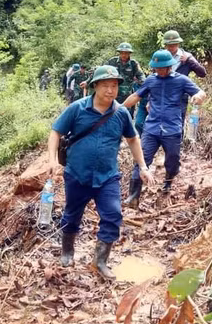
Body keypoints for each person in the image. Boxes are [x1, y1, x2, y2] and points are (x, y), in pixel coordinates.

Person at [48, 65, 154, 280]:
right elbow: (56, 132)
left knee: (113, 215)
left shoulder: (121, 113)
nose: (110, 90)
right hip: (77, 174)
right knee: (71, 215)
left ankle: (101, 260)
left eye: (114, 86)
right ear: (95, 86)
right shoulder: (77, 109)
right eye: (105, 85)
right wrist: (52, 160)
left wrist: (142, 166)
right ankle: (67, 251)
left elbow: (133, 139)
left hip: (107, 177)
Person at [122, 50, 206, 208]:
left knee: (172, 161)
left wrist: (199, 97)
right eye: (156, 68)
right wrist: (118, 108)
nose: (159, 71)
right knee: (142, 160)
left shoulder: (182, 80)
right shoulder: (150, 80)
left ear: (169, 66)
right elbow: (136, 96)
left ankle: (167, 185)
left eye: (162, 68)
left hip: (172, 128)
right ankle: (133, 197)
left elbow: (200, 92)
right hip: (151, 128)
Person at [162, 30, 207, 125]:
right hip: (162, 94)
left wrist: (190, 61)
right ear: (165, 45)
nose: (171, 47)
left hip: (180, 96)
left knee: (178, 123)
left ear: (178, 44)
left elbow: (202, 73)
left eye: (174, 44)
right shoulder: (161, 56)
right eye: (169, 45)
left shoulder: (187, 56)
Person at [105, 42, 145, 114]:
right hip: (113, 94)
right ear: (119, 53)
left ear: (129, 53)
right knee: (112, 115)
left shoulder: (133, 63)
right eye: (122, 53)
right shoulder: (112, 61)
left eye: (126, 53)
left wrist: (145, 86)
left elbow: (141, 76)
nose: (124, 55)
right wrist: (87, 82)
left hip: (127, 96)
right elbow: (101, 72)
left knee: (127, 116)